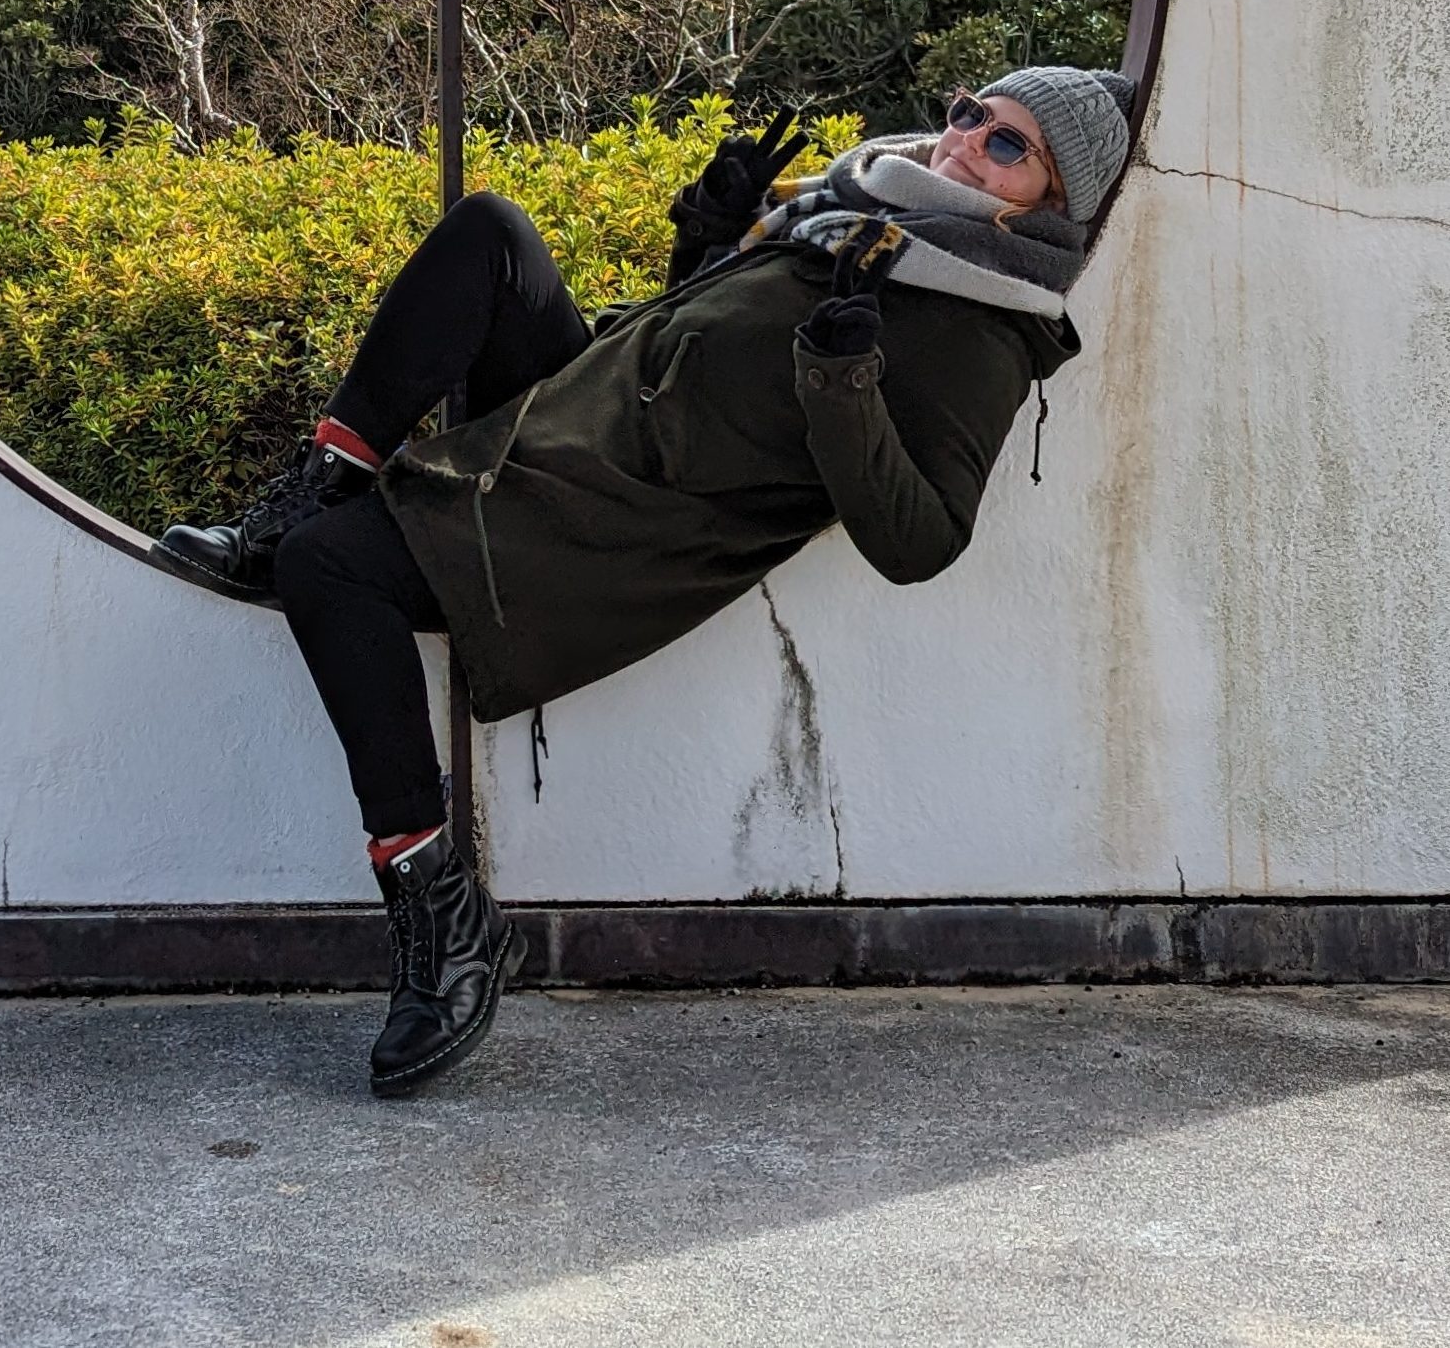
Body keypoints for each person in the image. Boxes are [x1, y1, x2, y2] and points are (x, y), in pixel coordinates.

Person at [159, 65, 1135, 1097]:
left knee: (331, 571)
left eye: (1005, 143)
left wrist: (841, 384)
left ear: (1051, 197)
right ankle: (312, 490)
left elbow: (919, 540)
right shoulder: (849, 214)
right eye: (969, 111)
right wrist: (711, 238)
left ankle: (444, 922)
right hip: (589, 420)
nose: (963, 138)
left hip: (612, 530)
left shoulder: (979, 322)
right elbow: (700, 353)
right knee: (487, 234)